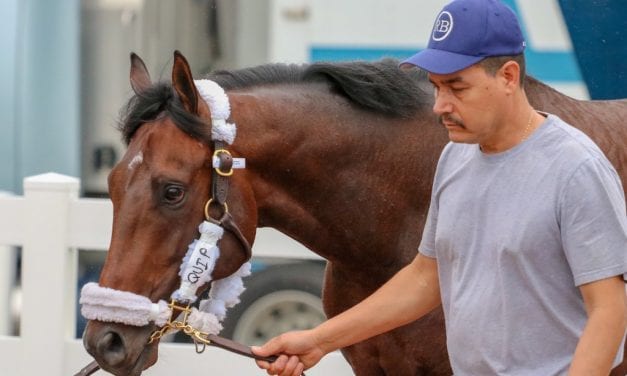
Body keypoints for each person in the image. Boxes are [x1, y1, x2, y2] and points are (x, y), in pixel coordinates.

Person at [252, 0, 627, 375]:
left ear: (509, 77)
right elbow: (426, 277)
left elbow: (609, 309)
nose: (439, 105)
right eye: (435, 87)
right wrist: (318, 341)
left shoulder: (575, 169)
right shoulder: (454, 158)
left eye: (456, 87)